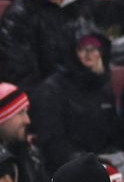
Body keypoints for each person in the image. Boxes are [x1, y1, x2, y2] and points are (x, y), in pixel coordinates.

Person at [30, 28, 124, 171]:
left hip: (105, 164)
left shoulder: (102, 87)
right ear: (71, 53)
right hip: (70, 171)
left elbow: (115, 135)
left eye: (95, 49)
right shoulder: (50, 90)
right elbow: (54, 147)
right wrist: (93, 164)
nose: (90, 55)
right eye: (83, 49)